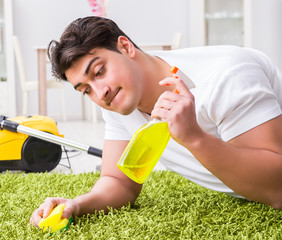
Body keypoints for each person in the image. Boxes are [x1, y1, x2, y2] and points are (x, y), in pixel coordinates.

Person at [30, 16, 282, 226]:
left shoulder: (227, 76)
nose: (99, 93)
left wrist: (194, 138)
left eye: (99, 71)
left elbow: (277, 189)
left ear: (126, 47)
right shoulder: (118, 100)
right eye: (86, 90)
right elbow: (119, 182)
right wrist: (76, 205)